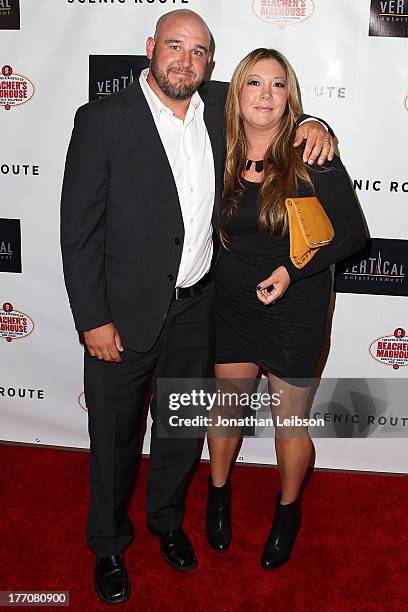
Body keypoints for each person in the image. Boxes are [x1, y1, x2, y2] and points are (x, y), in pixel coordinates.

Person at [60, 9, 334, 604]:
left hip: (197, 310)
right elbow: (78, 231)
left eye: (200, 51)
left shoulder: (219, 116)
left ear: (211, 63)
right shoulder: (102, 120)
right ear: (150, 47)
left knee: (181, 431)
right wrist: (92, 320)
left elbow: (272, 102)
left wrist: (315, 121)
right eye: (174, 46)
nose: (185, 60)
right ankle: (108, 545)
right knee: (113, 437)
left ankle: (166, 520)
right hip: (121, 317)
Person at [206, 48, 367, 568]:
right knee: (225, 408)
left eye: (278, 85)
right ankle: (218, 493)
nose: (266, 95)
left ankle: (288, 509)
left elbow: (352, 235)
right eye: (254, 82)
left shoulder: (310, 152)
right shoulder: (215, 143)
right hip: (230, 304)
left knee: (289, 424)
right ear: (237, 92)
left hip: (295, 308)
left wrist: (292, 272)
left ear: (290, 97)